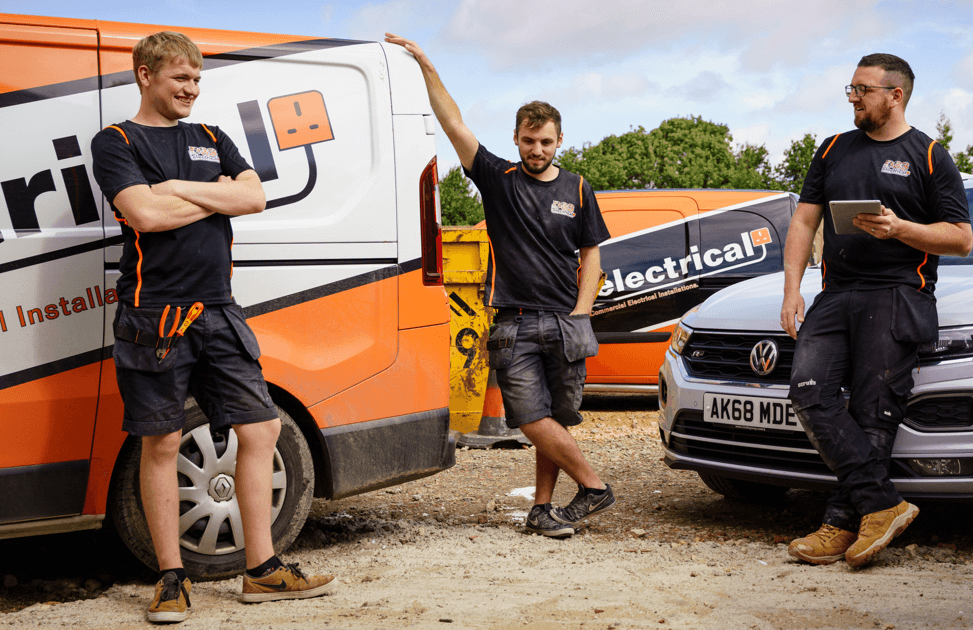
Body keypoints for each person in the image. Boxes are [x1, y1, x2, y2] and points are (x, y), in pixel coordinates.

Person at [90, 32, 336, 623]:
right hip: (155, 315)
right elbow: (144, 215)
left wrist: (178, 190)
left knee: (260, 431)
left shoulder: (211, 137)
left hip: (220, 311)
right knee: (164, 442)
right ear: (145, 75)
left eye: (197, 80)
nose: (192, 90)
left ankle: (262, 570)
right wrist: (211, 196)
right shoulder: (115, 141)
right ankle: (171, 579)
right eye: (180, 79)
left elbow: (253, 198)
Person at [384, 33, 615, 538]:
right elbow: (452, 122)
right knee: (531, 420)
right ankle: (595, 487)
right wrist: (425, 64)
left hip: (566, 322)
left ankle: (542, 509)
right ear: (516, 139)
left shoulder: (577, 187)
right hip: (514, 321)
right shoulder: (497, 176)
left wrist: (582, 310)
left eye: (546, 141)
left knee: (554, 419)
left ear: (559, 141)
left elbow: (592, 252)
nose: (537, 149)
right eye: (529, 140)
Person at [780, 53, 972, 567]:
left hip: (898, 294)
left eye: (862, 89)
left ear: (895, 95)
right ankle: (884, 504)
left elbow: (962, 239)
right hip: (836, 292)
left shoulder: (930, 155)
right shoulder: (834, 149)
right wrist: (791, 289)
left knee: (874, 414)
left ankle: (841, 524)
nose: (852, 97)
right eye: (851, 88)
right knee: (808, 391)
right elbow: (802, 224)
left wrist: (901, 229)